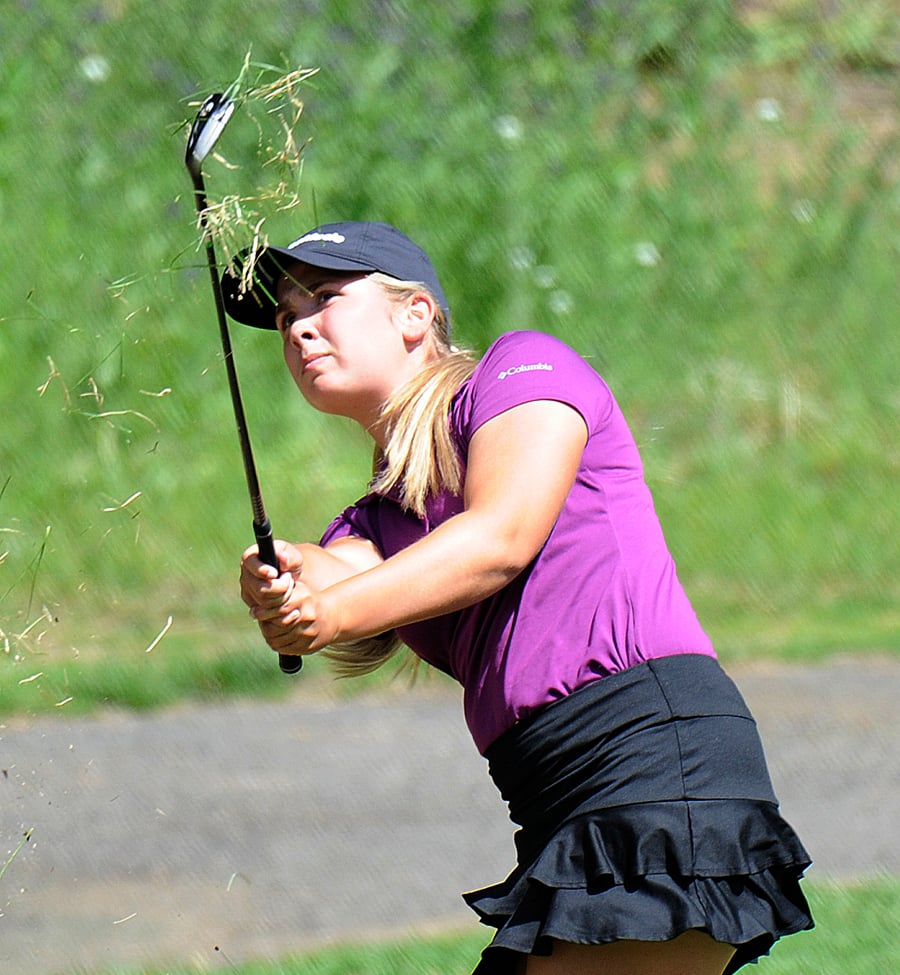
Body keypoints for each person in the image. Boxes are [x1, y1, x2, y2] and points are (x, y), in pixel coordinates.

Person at [223, 221, 813, 975]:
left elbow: (500, 535)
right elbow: (336, 575)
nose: (299, 324)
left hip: (654, 763)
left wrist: (327, 608)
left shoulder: (522, 369)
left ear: (415, 314)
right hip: (556, 798)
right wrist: (280, 579)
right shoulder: (377, 517)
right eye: (284, 317)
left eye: (327, 298)